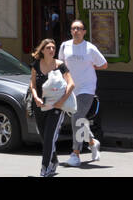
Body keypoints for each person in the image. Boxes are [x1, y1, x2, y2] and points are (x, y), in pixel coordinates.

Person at [60, 20, 107, 166]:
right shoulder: (65, 46)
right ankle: (92, 142)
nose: (76, 31)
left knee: (77, 118)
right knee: (78, 120)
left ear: (84, 32)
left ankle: (75, 154)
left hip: (86, 89)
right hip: (71, 89)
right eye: (73, 28)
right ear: (71, 31)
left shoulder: (90, 48)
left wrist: (91, 66)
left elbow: (104, 64)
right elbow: (61, 64)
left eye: (79, 28)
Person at [29, 38, 75, 177]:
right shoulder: (36, 65)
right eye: (48, 48)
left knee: (49, 138)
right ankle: (53, 161)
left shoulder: (60, 65)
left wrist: (62, 102)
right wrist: (35, 97)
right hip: (40, 106)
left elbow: (71, 84)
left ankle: (45, 169)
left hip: (56, 107)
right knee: (44, 138)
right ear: (42, 50)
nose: (51, 50)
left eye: (53, 48)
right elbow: (32, 84)